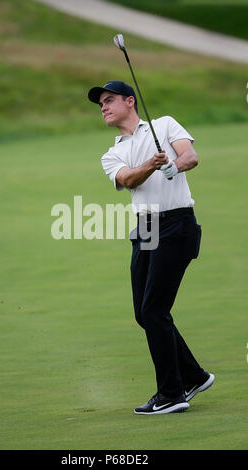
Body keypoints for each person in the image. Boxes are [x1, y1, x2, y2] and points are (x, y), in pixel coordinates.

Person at [88, 80, 214, 415]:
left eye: (109, 100)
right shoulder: (111, 153)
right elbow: (128, 179)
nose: (103, 106)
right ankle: (194, 375)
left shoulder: (164, 124)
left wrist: (175, 164)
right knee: (144, 314)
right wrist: (153, 165)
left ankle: (172, 393)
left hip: (176, 223)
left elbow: (190, 155)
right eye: (100, 103)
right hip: (144, 229)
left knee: (155, 311)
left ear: (130, 101)